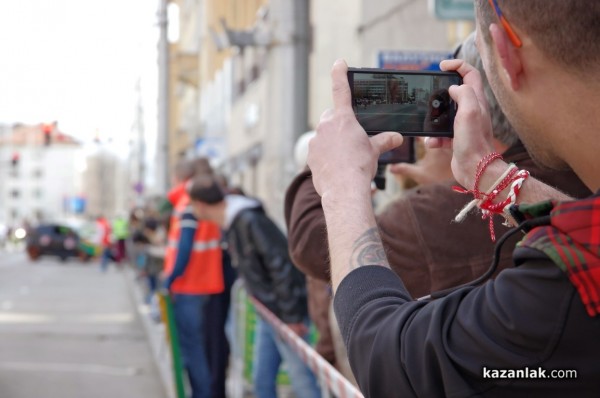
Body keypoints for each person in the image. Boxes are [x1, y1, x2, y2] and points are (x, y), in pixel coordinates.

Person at [305, 0, 600, 396]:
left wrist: (342, 185)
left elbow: (391, 361)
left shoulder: (557, 296)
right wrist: (488, 171)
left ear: (507, 56)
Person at [286, 31, 590, 301]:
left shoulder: (429, 214)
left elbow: (312, 243)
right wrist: (479, 172)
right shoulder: (584, 172)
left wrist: (331, 167)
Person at [187, 176, 321, 398]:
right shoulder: (237, 221)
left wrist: (292, 317)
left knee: (302, 382)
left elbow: (282, 266)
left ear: (200, 204)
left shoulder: (248, 220)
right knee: (262, 381)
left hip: (283, 315)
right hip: (269, 312)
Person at [162, 158, 224, 398]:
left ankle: (201, 393)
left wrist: (169, 279)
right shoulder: (200, 203)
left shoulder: (188, 204)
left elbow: (184, 247)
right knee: (198, 347)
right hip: (203, 283)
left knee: (192, 349)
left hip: (189, 286)